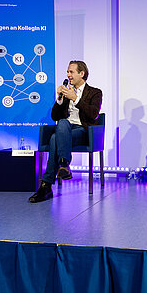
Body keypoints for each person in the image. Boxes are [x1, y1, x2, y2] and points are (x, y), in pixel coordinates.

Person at [29, 60, 102, 203]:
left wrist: (75, 98)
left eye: (71, 72)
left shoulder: (95, 92)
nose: (68, 75)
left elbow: (93, 114)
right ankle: (63, 164)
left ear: (82, 74)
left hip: (83, 131)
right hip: (66, 130)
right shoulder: (66, 92)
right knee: (61, 123)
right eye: (67, 72)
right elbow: (54, 116)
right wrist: (60, 100)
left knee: (54, 138)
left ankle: (46, 186)